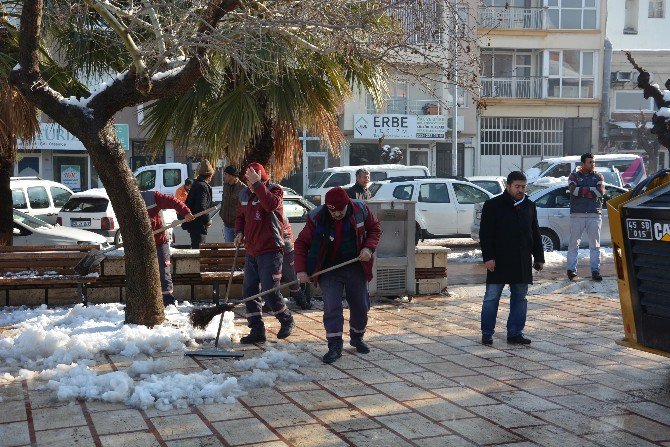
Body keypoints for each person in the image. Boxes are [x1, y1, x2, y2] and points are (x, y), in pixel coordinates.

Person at [295, 187, 382, 364]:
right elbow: (301, 244)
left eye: (339, 211)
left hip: (356, 265)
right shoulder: (317, 217)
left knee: (360, 305)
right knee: (332, 306)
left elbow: (375, 229)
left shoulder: (360, 210)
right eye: (332, 211)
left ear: (347, 205)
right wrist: (301, 270)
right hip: (328, 268)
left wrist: (368, 248)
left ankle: (357, 337)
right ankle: (334, 345)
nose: (336, 215)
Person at [478, 171, 544, 346]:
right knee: (491, 298)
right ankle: (487, 333)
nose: (520, 190)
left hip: (521, 261)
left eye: (523, 187)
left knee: (520, 298)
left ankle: (515, 333)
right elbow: (485, 234)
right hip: (498, 261)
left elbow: (535, 233)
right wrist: (488, 257)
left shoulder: (529, 205)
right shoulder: (493, 205)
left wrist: (539, 257)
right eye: (517, 186)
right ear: (508, 186)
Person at [234, 162, 295, 343]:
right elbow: (240, 216)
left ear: (261, 178)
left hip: (271, 249)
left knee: (270, 290)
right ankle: (257, 330)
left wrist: (258, 185)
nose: (250, 186)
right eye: (248, 182)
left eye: (253, 181)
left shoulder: (274, 190)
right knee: (249, 291)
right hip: (251, 250)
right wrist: (239, 232)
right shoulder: (244, 194)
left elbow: (270, 205)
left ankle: (286, 319)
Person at [140, 190, 194, 306]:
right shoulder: (126, 203)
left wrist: (186, 212)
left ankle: (168, 300)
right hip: (142, 243)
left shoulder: (152, 197)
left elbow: (173, 201)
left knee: (163, 269)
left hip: (160, 241)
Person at [567, 153, 605, 282]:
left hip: (594, 214)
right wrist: (591, 190)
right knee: (573, 244)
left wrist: (583, 190)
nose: (592, 164)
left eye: (593, 162)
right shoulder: (574, 176)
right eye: (590, 162)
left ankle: (595, 271)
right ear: (583, 164)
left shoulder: (598, 176)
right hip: (577, 214)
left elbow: (600, 192)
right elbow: (573, 190)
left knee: (595, 245)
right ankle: (571, 271)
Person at [280, 215, 312, 310]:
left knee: (292, 279)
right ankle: (271, 304)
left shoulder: (278, 213)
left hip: (286, 250)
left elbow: (285, 235)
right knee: (270, 279)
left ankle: (302, 301)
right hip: (273, 251)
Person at [184, 160, 214, 248]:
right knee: (199, 250)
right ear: (210, 175)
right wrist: (207, 220)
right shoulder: (202, 186)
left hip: (193, 223)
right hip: (198, 224)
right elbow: (201, 207)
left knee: (196, 247)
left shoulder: (196, 184)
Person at [219, 165, 245, 243]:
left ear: (231, 176)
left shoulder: (243, 188)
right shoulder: (225, 186)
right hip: (227, 225)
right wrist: (222, 214)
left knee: (240, 252)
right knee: (228, 250)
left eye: (226, 174)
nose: (224, 176)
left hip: (239, 227)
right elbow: (223, 202)